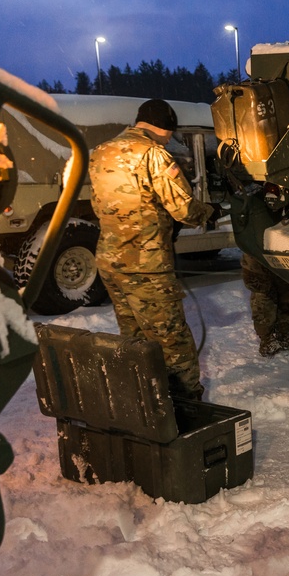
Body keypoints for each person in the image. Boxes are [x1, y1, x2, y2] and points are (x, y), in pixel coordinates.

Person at [90, 99, 218, 400]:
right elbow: (183, 209)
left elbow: (99, 205)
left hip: (110, 262)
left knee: (133, 340)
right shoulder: (153, 153)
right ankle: (187, 405)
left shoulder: (101, 152)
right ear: (163, 129)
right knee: (172, 341)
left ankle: (145, 400)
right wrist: (209, 212)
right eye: (168, 134)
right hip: (146, 266)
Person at [241, 252, 289, 356]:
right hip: (258, 251)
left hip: (281, 250)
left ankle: (284, 335)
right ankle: (267, 340)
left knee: (286, 292)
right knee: (264, 298)